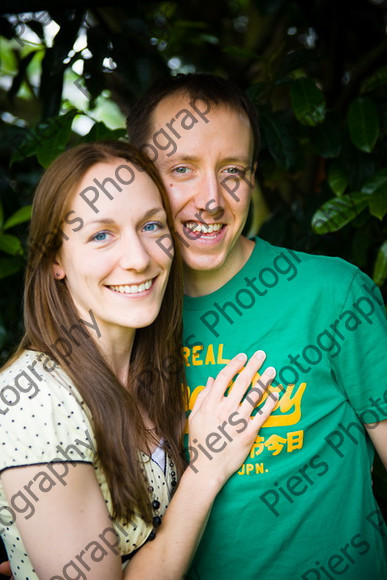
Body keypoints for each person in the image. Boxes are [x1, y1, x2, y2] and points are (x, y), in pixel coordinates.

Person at [126, 74, 387, 579]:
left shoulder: (332, 295)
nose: (211, 200)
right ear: (140, 175)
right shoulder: (126, 318)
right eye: (182, 169)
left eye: (233, 172)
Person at [0, 140, 278, 579]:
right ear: (56, 258)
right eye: (101, 235)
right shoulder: (36, 399)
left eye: (151, 227)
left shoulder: (152, 372)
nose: (138, 259)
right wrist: (206, 469)